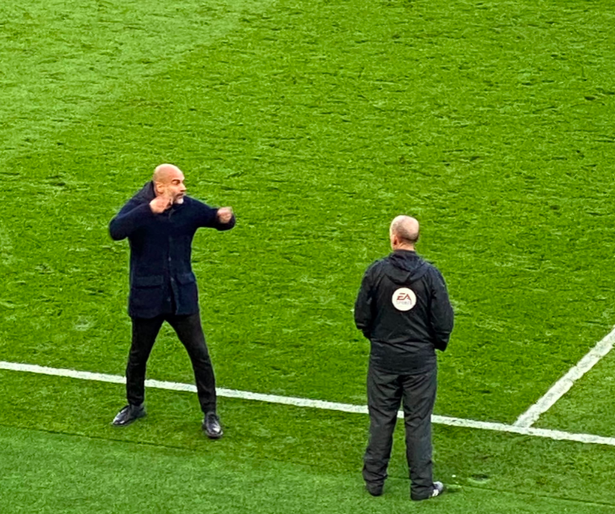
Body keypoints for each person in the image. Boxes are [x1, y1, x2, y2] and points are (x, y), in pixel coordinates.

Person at [108, 163, 235, 439]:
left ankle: (210, 413)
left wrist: (225, 218)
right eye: (177, 182)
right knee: (138, 355)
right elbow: (116, 230)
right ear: (160, 187)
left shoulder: (186, 207)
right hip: (147, 298)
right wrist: (148, 210)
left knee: (200, 354)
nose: (183, 188)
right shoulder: (139, 206)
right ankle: (135, 405)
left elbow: (213, 217)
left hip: (182, 297)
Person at [354, 215, 453, 500]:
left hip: (383, 359)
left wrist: (379, 339)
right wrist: (430, 345)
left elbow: (362, 316)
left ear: (394, 238)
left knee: (380, 420)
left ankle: (374, 482)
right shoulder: (430, 275)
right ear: (414, 239)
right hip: (420, 362)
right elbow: (443, 321)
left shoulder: (376, 272)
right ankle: (421, 487)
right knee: (418, 422)